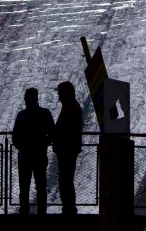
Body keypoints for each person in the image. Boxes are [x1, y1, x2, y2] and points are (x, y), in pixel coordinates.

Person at [11, 87, 54, 214]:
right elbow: (52, 132)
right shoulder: (45, 113)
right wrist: (44, 143)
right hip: (40, 153)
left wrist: (22, 147)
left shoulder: (22, 115)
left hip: (24, 155)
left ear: (28, 99)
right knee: (41, 184)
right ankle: (42, 210)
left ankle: (24, 209)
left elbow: (15, 137)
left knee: (24, 185)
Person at [52, 81, 86, 214]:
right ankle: (69, 208)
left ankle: (69, 209)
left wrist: (56, 135)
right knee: (66, 181)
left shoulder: (71, 108)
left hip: (67, 150)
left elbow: (66, 130)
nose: (58, 95)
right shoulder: (71, 106)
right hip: (68, 149)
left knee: (65, 181)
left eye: (60, 92)